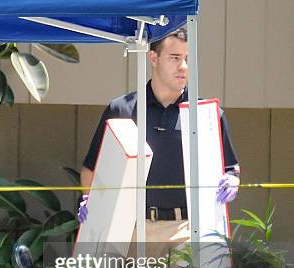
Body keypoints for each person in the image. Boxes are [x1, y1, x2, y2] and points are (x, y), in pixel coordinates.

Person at [78, 27, 240, 244]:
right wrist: (91, 202)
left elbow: (230, 169)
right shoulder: (122, 109)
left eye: (187, 58)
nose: (183, 67)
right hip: (130, 231)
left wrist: (232, 180)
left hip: (186, 230)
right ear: (153, 58)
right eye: (175, 58)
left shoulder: (207, 115)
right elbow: (91, 167)